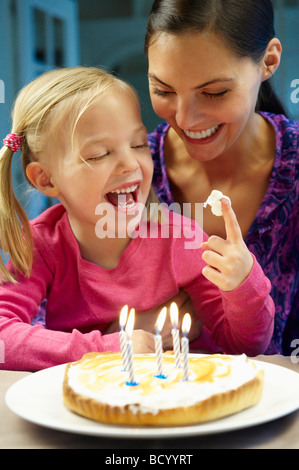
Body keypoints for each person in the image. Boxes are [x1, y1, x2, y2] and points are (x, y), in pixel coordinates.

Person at [0, 67, 274, 371]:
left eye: (138, 145)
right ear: (46, 179)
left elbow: (245, 344)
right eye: (99, 154)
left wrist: (244, 282)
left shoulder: (178, 238)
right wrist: (107, 346)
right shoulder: (42, 244)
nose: (130, 164)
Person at [145, 0, 299, 355]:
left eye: (214, 92)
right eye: (163, 90)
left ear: (268, 61)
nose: (184, 119)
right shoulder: (129, 175)